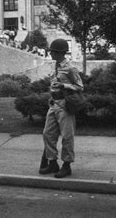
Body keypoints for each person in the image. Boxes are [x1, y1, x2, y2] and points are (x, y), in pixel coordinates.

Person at [39, 39, 83, 178]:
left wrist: (64, 86)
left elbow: (80, 87)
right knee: (47, 134)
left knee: (67, 137)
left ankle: (66, 165)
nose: (50, 54)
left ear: (60, 53)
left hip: (65, 105)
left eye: (53, 52)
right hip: (54, 104)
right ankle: (52, 162)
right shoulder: (56, 66)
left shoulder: (70, 68)